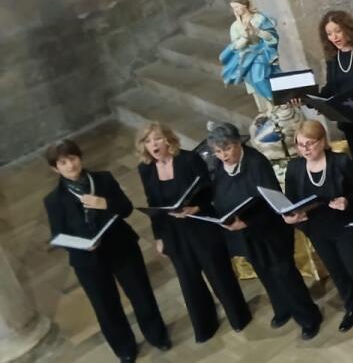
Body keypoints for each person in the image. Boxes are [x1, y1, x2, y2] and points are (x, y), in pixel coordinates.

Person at [45, 139, 171, 362]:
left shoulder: (103, 179)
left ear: (80, 157)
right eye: (63, 162)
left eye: (73, 159)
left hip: (121, 247)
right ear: (56, 168)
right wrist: (83, 244)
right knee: (106, 307)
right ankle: (125, 349)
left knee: (141, 294)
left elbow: (126, 209)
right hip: (88, 260)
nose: (71, 166)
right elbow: (59, 235)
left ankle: (157, 336)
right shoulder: (54, 200)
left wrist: (104, 203)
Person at [206, 123, 322, 340]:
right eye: (219, 152)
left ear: (238, 144)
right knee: (263, 271)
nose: (223, 156)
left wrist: (248, 221)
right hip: (244, 232)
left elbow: (271, 201)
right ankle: (282, 308)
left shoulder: (256, 163)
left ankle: (308, 317)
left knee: (284, 273)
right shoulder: (220, 164)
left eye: (227, 150)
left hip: (269, 230)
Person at [136, 123, 249, 343]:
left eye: (157, 139)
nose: (153, 145)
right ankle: (205, 327)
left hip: (200, 224)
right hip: (174, 232)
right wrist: (159, 237)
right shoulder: (146, 169)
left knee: (218, 274)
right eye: (148, 141)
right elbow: (153, 205)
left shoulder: (188, 160)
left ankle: (238, 317)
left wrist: (195, 207)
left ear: (168, 139)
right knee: (189, 281)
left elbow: (209, 189)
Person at [283, 121, 353, 332]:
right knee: (337, 271)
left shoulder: (340, 162)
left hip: (345, 225)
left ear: (323, 142)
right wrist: (290, 215)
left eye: (310, 144)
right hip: (317, 228)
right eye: (301, 145)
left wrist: (347, 200)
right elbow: (291, 198)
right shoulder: (294, 167)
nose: (305, 149)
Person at [317, 10, 353, 156]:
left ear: (348, 29)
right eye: (329, 34)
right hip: (347, 121)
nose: (334, 37)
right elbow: (331, 87)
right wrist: (313, 99)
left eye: (337, 31)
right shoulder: (333, 58)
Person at [219, 0, 279, 112]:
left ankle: (275, 101)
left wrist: (256, 31)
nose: (235, 10)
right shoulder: (235, 26)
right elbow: (235, 46)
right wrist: (245, 37)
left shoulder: (259, 19)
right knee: (253, 82)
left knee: (259, 79)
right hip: (246, 56)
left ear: (244, 6)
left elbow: (272, 37)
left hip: (262, 52)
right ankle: (269, 105)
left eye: (236, 7)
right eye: (233, 8)